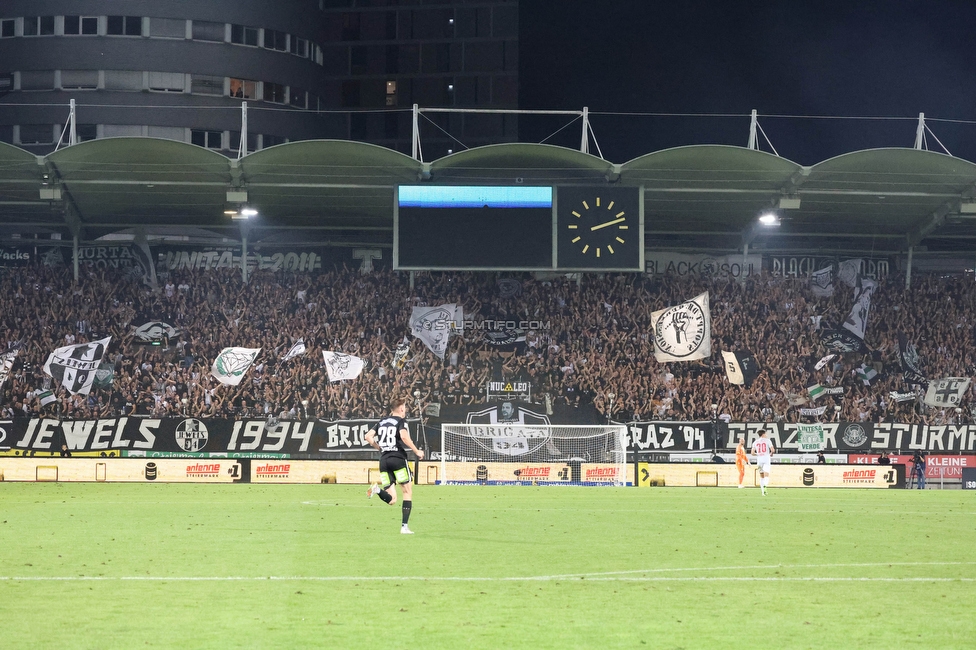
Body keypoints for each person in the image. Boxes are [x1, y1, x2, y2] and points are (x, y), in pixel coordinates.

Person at [365, 396, 425, 534]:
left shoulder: (382, 421)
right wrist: (416, 451)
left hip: (384, 461)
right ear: (402, 408)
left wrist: (379, 447)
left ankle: (377, 490)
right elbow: (404, 437)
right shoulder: (401, 421)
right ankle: (404, 527)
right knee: (407, 492)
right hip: (397, 459)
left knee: (392, 499)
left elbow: (368, 436)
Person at [750, 429, 775, 496]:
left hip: (759, 460)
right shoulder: (768, 440)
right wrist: (771, 453)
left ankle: (763, 492)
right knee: (766, 474)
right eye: (766, 434)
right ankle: (765, 486)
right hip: (766, 458)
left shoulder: (755, 442)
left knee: (761, 476)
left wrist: (758, 454)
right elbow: (772, 449)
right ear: (763, 434)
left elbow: (752, 453)